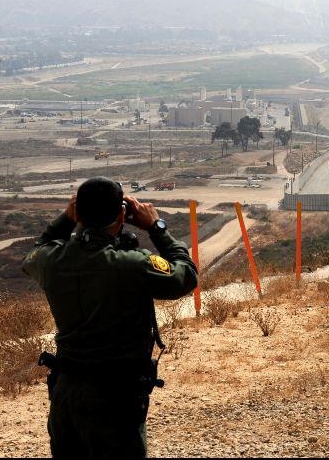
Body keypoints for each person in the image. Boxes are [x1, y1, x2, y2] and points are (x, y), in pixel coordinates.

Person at [22, 176, 198, 459]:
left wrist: (66, 219)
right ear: (121, 214)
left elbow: (39, 247)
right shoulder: (133, 264)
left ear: (78, 212)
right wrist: (156, 227)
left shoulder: (50, 262)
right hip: (115, 396)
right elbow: (186, 276)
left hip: (65, 393)